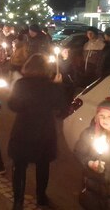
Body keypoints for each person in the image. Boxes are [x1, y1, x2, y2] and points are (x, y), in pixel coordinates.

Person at [8, 54, 66, 209]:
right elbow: (62, 108)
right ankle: (41, 197)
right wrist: (58, 86)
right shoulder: (51, 86)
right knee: (43, 166)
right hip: (44, 131)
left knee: (19, 167)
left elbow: (13, 106)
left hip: (23, 130)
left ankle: (18, 202)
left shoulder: (21, 84)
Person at [74, 97, 110, 209]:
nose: (105, 119)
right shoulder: (90, 133)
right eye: (101, 116)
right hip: (93, 188)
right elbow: (79, 151)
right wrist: (89, 163)